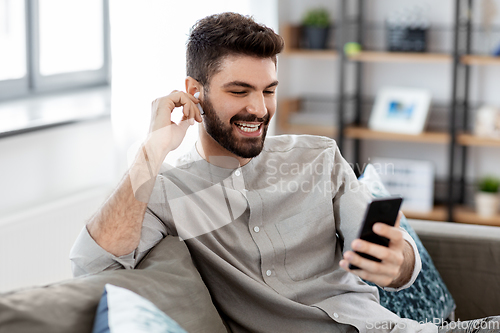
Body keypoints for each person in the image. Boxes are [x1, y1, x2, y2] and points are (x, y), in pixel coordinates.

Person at [70, 12, 499, 333]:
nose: (259, 109)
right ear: (194, 92)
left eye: (269, 91)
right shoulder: (168, 191)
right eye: (239, 91)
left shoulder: (319, 158)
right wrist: (152, 149)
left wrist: (398, 262)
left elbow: (386, 256)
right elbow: (92, 265)